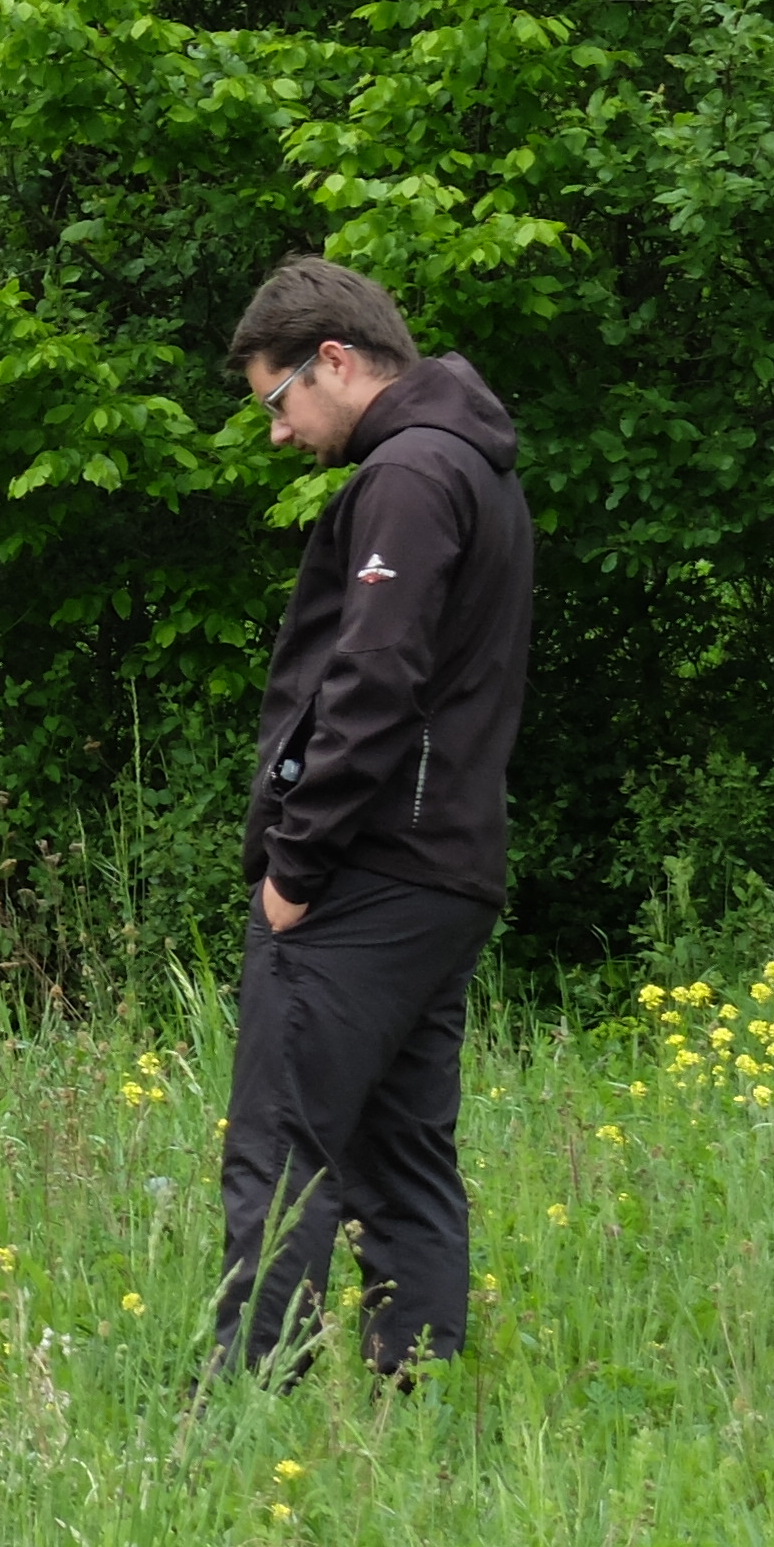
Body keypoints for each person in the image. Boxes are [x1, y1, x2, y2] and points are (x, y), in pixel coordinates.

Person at [219, 258, 533, 1381]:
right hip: (444, 868)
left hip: (366, 871)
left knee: (280, 1145)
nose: (277, 432)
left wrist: (295, 866)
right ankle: (419, 1396)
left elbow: (372, 679)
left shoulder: (407, 476)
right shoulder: (474, 468)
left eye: (277, 401)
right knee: (401, 1152)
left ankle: (249, 1406)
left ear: (334, 361)